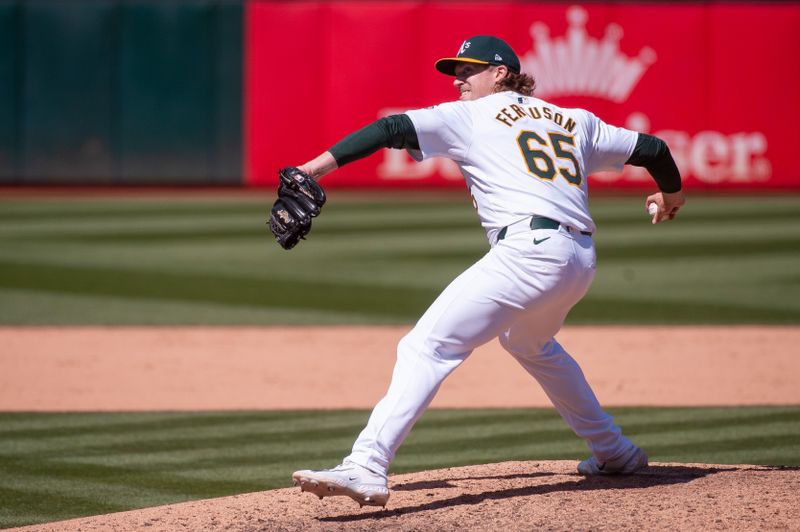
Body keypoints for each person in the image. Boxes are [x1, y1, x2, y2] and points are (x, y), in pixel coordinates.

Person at [289, 35, 686, 507]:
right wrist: (672, 197)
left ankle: (367, 466)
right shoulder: (574, 120)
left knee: (426, 346)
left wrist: (312, 169)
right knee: (529, 343)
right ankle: (614, 451)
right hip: (578, 259)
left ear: (501, 73)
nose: (458, 79)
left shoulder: (473, 115)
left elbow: (391, 127)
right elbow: (655, 150)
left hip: (528, 252)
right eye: (455, 70)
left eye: (468, 69)